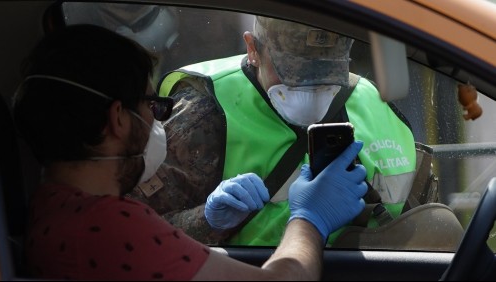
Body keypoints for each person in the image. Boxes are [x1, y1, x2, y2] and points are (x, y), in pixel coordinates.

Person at [12, 24, 368, 280]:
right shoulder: (106, 226)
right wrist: (309, 220)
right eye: (152, 103)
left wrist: (206, 222)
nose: (160, 117)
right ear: (118, 118)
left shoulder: (52, 206)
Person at [129, 16, 419, 246]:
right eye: (293, 74)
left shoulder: (374, 105)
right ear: (253, 49)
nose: (310, 86)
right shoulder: (204, 112)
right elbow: (135, 238)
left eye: (326, 73)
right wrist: (207, 221)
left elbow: (423, 225)